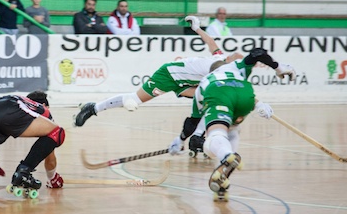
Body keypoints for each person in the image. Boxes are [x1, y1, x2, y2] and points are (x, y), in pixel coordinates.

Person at [73, 15, 242, 128]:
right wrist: (197, 28)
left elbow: (211, 45)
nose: (233, 57)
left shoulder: (222, 67)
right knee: (135, 99)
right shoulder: (219, 62)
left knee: (206, 101)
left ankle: (201, 137)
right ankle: (93, 108)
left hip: (184, 83)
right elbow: (211, 42)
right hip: (169, 75)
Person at [190, 34, 295, 200]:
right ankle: (222, 183)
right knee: (232, 131)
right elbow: (258, 53)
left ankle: (226, 155)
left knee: (216, 138)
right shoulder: (235, 67)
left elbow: (196, 123)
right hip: (246, 94)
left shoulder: (205, 82)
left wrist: (194, 139)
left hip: (218, 93)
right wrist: (278, 67)